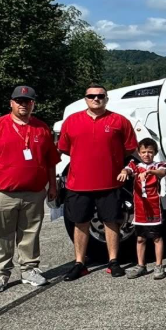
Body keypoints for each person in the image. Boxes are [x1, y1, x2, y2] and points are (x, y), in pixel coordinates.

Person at [0, 85, 60, 294]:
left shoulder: (41, 128)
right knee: (2, 235)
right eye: (19, 101)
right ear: (11, 103)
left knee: (30, 234)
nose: (23, 104)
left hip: (33, 192)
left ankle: (29, 270)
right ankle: (0, 275)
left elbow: (51, 161)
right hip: (1, 193)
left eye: (27, 101)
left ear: (33, 103)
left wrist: (52, 186)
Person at [57, 83, 138, 281]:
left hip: (110, 184)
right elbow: (65, 148)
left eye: (100, 96)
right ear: (85, 99)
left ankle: (113, 261)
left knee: (111, 222)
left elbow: (129, 148)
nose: (96, 99)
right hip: (79, 184)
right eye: (91, 96)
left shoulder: (119, 121)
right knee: (80, 222)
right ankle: (79, 263)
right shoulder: (71, 121)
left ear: (106, 99)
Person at [124, 138, 166, 280]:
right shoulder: (136, 165)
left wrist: (150, 173)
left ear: (155, 153)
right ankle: (141, 265)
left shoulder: (159, 165)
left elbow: (162, 172)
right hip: (140, 209)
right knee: (140, 238)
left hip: (154, 207)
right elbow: (128, 169)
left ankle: (159, 265)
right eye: (143, 152)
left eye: (150, 152)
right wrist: (124, 172)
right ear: (139, 153)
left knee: (156, 237)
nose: (146, 155)